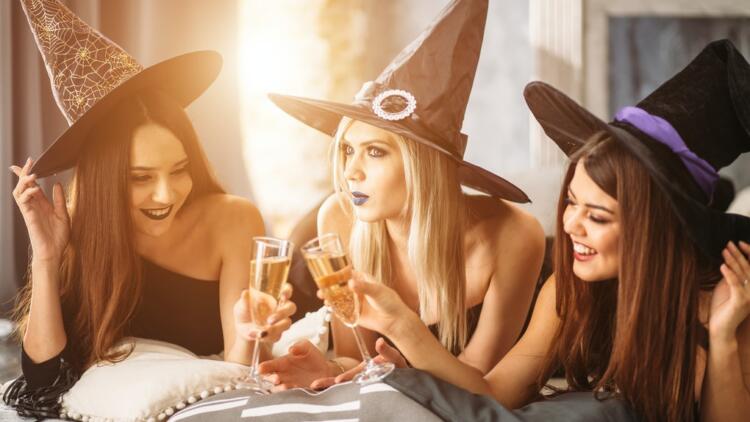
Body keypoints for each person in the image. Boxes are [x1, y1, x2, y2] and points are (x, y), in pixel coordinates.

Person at [324, 40, 750, 422]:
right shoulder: (567, 293)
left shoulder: (727, 296)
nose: (570, 226)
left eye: (597, 217)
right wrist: (401, 328)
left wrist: (723, 338)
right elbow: (491, 397)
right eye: (571, 202)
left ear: (655, 229)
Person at [4, 0, 294, 418]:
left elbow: (240, 368)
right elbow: (45, 382)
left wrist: (253, 333)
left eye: (179, 170)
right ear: (105, 183)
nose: (166, 194)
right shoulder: (79, 231)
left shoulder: (232, 218)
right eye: (141, 178)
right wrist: (47, 259)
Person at [258, 0, 544, 389]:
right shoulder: (338, 218)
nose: (350, 172)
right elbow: (356, 355)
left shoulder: (515, 235)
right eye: (348, 150)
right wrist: (331, 368)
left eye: (375, 152)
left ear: (423, 166)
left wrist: (404, 340)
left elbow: (479, 387)